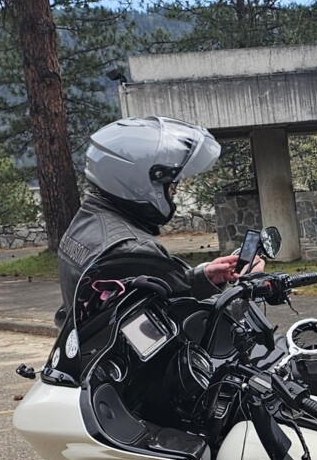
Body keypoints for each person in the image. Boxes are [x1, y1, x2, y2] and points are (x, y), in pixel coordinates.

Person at [56, 117, 258, 316]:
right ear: (138, 181)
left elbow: (155, 296)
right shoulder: (133, 250)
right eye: (171, 182)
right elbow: (191, 326)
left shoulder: (86, 221)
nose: (174, 190)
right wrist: (246, 290)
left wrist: (203, 278)